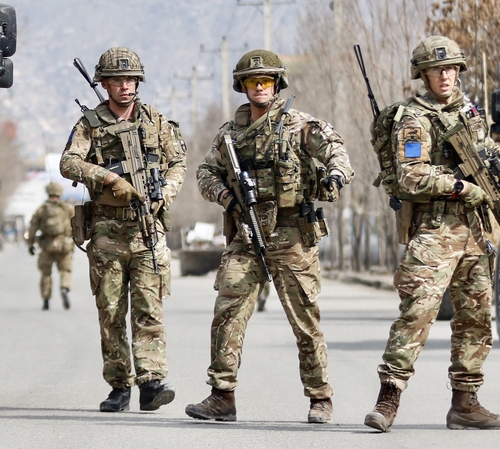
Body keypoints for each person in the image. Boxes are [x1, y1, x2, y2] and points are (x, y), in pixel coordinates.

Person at [363, 36, 500, 432]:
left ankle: (466, 403)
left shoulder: (468, 110)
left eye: (450, 68)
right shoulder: (413, 119)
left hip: (475, 231)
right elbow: (412, 175)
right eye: (436, 69)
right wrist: (462, 187)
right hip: (434, 229)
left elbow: (486, 152)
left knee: (476, 319)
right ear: (422, 74)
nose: (445, 75)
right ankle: (388, 400)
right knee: (417, 313)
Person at [185, 49, 354, 424]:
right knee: (227, 311)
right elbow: (205, 174)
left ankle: (320, 397)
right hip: (246, 234)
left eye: (266, 80)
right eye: (252, 81)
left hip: (292, 235)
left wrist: (335, 175)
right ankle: (222, 395)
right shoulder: (230, 134)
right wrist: (226, 197)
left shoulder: (300, 125)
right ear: (242, 86)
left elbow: (337, 152)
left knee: (304, 320)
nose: (259, 87)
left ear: (277, 84)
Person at [59, 47, 187, 413]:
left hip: (147, 227)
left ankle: (152, 381)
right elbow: (68, 162)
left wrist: (166, 192)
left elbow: (178, 161)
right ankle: (119, 386)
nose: (125, 86)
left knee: (150, 308)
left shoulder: (156, 121)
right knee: (111, 311)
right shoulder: (89, 123)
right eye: (117, 80)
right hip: (107, 230)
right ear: (104, 83)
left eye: (130, 79)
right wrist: (108, 177)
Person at [27, 182, 75, 311]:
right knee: (65, 271)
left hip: (47, 246)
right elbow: (76, 225)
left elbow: (32, 228)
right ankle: (64, 288)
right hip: (64, 245)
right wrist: (75, 243)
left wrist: (30, 244)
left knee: (46, 274)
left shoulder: (42, 209)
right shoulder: (67, 208)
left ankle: (46, 299)